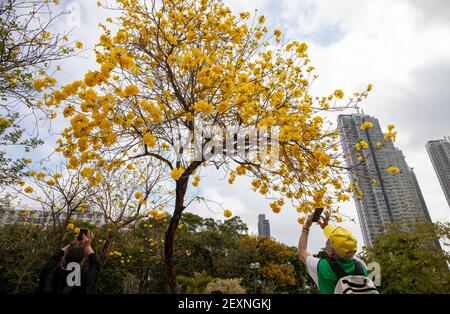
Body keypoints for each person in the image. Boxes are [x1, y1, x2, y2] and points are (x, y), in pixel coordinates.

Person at [298, 211, 376, 294]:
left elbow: (301, 252)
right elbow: (345, 247)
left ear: (330, 251)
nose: (327, 240)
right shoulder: (361, 265)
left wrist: (306, 226)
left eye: (329, 240)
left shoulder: (322, 267)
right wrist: (326, 227)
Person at [38, 230, 100, 294]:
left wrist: (72, 244)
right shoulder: (83, 277)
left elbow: (54, 257)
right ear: (82, 261)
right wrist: (88, 246)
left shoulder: (49, 268)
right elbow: (95, 265)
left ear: (63, 258)